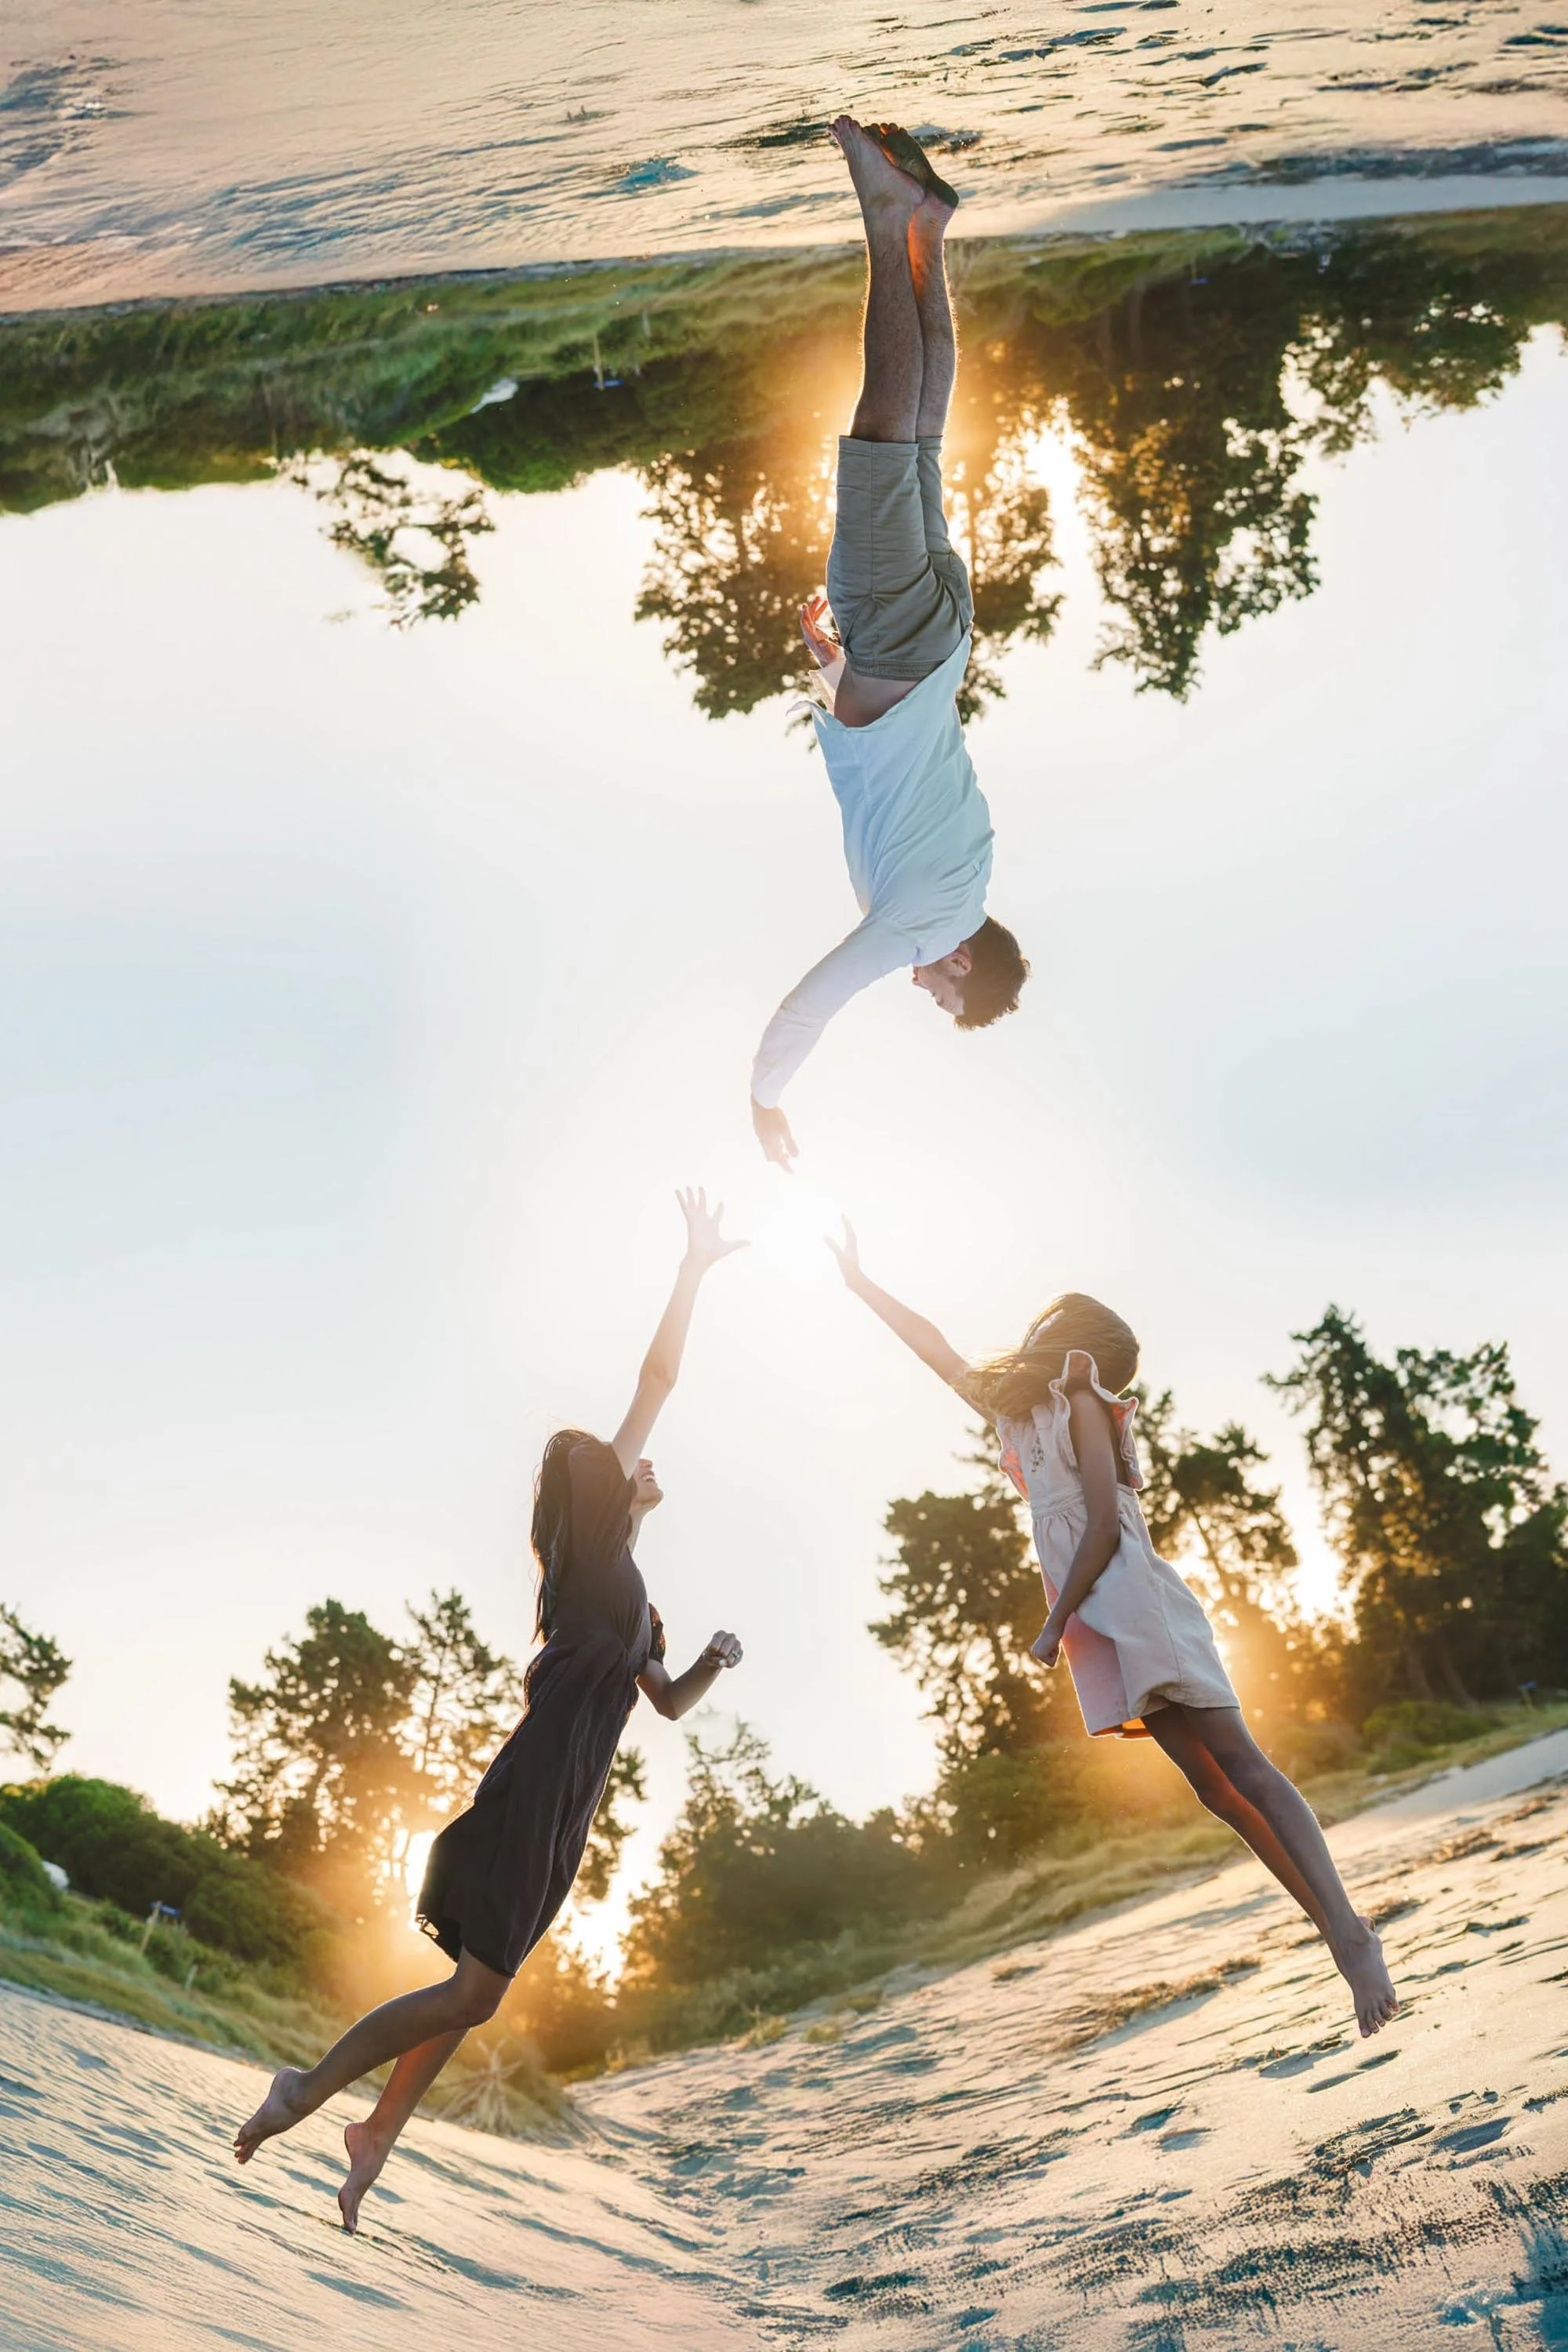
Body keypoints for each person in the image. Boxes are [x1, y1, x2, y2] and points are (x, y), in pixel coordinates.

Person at [234, 1188, 747, 2227]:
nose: (632, 1463)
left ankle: (374, 2136)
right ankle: (313, 2094)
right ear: (592, 1494)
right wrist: (693, 1268)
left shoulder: (619, 1595)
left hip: (568, 1810)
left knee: (478, 1991)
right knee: (475, 1993)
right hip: (537, 1788)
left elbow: (670, 1705)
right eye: (613, 1471)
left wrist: (711, 1661)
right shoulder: (587, 1564)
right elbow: (657, 1380)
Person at [826, 1225, 1400, 2039]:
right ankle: (1335, 1932)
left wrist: (1052, 1624)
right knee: (1212, 1789)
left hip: (1129, 1598)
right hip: (1094, 1612)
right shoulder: (1012, 1414)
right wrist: (860, 1283)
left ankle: (1348, 1933)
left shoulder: (1083, 1407)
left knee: (1244, 1766)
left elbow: (1101, 1527)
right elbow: (937, 1349)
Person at [749, 117, 1028, 1173]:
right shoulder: (921, 926)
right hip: (902, 647)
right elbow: (811, 1002)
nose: (922, 985)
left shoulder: (972, 870)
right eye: (943, 990)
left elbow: (899, 773)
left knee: (916, 436)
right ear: (963, 960)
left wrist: (833, 671)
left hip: (940, 641)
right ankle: (885, 217)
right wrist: (763, 1097)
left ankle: (928, 233)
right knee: (880, 426)